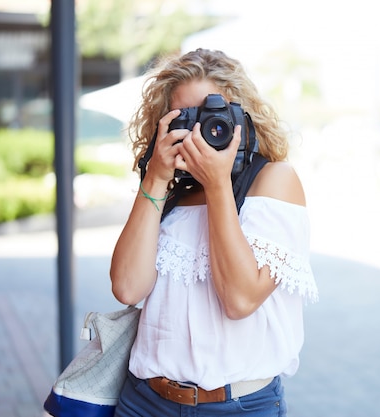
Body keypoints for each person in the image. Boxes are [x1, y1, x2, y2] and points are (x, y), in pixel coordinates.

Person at [110, 48, 318, 417]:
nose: (201, 134)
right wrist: (156, 176)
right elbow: (127, 287)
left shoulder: (274, 182)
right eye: (186, 119)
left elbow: (239, 300)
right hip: (144, 402)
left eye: (213, 116)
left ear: (243, 117)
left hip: (238, 408)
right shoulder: (171, 193)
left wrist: (218, 184)